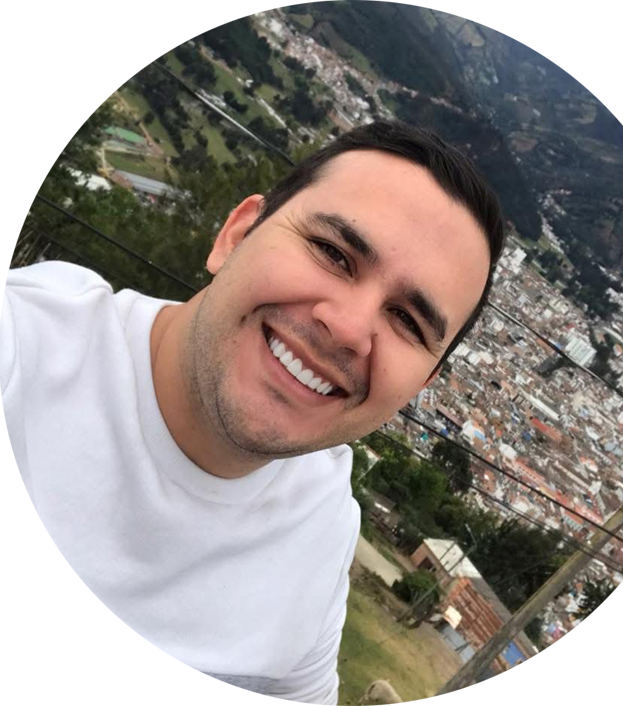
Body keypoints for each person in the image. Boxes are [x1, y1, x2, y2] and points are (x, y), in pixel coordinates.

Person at [0, 121, 505, 703]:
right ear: (236, 235)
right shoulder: (22, 351)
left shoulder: (321, 529)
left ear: (421, 383)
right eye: (333, 253)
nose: (348, 328)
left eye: (408, 322)